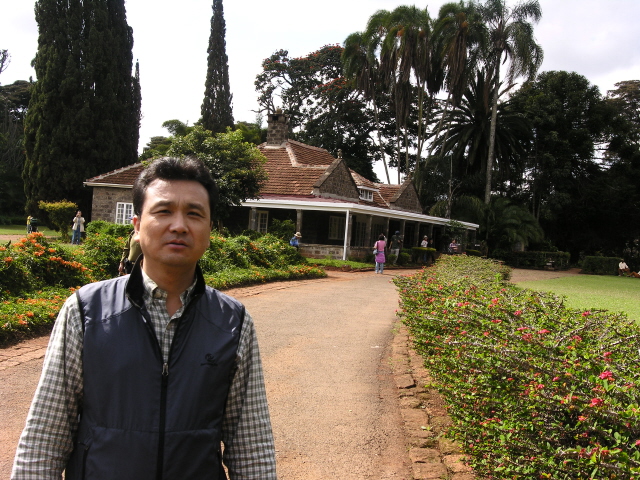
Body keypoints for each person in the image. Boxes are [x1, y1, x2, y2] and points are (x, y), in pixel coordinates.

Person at [12, 156, 277, 479]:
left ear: (210, 229)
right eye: (163, 211)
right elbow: (45, 439)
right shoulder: (86, 311)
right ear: (137, 226)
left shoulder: (232, 322)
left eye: (194, 214)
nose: (179, 225)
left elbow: (252, 448)